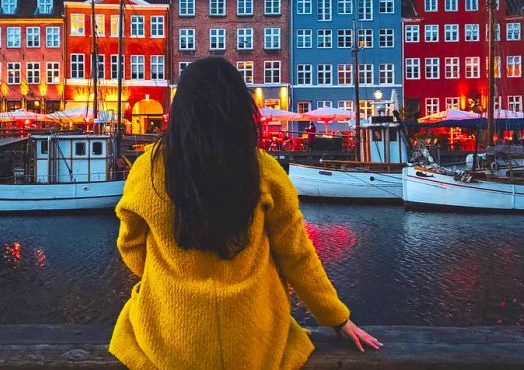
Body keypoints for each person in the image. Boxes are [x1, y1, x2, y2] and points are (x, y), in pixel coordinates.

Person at [110, 57, 381, 369]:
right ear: (239, 108)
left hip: (173, 340)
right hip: (254, 340)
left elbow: (130, 247)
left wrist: (166, 276)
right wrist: (336, 317)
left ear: (181, 109)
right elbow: (297, 256)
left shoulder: (147, 170)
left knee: (134, 321)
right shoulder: (263, 169)